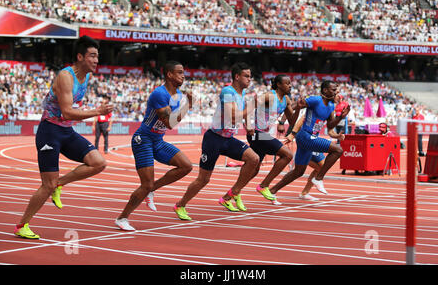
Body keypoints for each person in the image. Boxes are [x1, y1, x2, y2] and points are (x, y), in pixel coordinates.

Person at [14, 36, 113, 239]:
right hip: (50, 131)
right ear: (79, 57)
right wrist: (97, 111)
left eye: (97, 56)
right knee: (46, 184)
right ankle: (22, 225)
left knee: (98, 162)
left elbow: (69, 115)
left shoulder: (85, 77)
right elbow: (67, 112)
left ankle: (60, 183)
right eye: (92, 56)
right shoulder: (66, 77)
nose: (96, 60)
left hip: (66, 131)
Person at [173, 62, 260, 220]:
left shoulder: (241, 96)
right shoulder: (228, 91)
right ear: (237, 76)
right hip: (213, 139)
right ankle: (180, 204)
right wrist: (253, 105)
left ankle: (231, 195)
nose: (250, 79)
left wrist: (248, 126)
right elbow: (233, 115)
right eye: (246, 76)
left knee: (253, 159)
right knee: (203, 179)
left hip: (228, 139)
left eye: (250, 76)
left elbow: (242, 113)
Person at [115, 61, 194, 231]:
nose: (183, 76)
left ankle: (152, 190)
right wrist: (187, 105)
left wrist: (187, 104)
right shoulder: (160, 94)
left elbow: (174, 121)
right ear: (169, 74)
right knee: (146, 184)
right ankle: (122, 218)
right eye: (179, 72)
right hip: (143, 139)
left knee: (186, 166)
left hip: (158, 140)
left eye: (183, 72)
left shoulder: (178, 94)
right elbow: (170, 123)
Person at [269, 80, 350, 199]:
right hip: (305, 136)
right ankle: (319, 178)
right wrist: (282, 122)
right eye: (333, 90)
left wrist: (340, 117)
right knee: (337, 150)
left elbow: (331, 125)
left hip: (311, 139)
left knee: (299, 171)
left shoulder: (331, 106)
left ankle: (273, 190)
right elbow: (292, 106)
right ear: (325, 90)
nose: (335, 92)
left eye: (336, 90)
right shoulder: (315, 100)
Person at [249, 75, 300, 203]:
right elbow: (250, 106)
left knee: (253, 169)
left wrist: (298, 107)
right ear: (278, 84)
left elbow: (292, 120)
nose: (290, 85)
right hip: (257, 133)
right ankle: (263, 186)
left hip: (265, 135)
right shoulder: (269, 97)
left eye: (290, 83)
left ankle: (231, 194)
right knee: (287, 155)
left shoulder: (286, 100)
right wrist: (247, 124)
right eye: (287, 83)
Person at [283, 114, 345, 201]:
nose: (339, 99)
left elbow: (330, 130)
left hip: (314, 139)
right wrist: (293, 134)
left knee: (321, 167)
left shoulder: (329, 109)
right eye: (339, 98)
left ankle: (305, 192)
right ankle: (273, 188)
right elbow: (302, 119)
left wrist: (337, 136)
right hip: (307, 139)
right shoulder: (317, 104)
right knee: (303, 170)